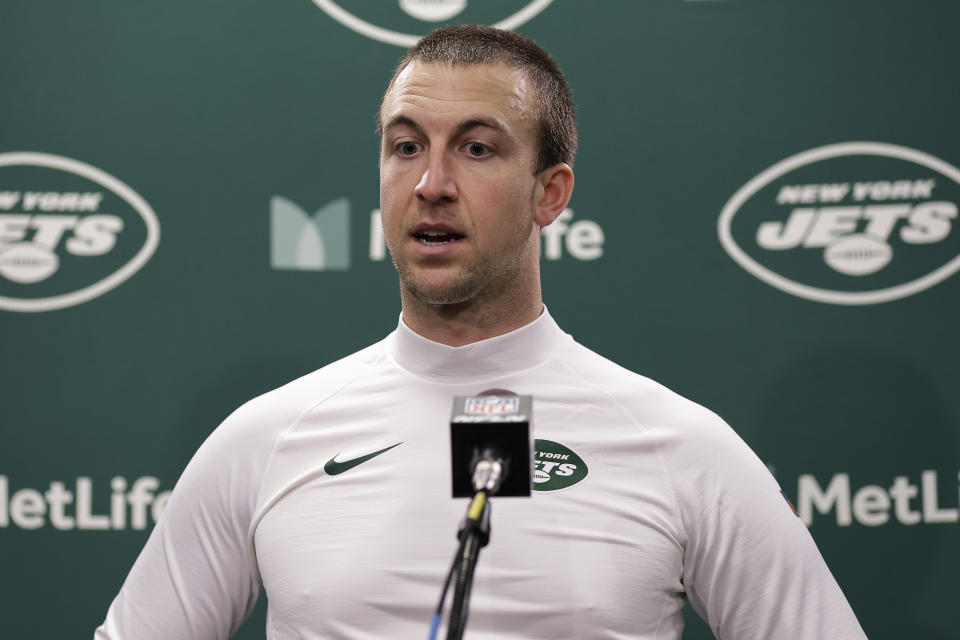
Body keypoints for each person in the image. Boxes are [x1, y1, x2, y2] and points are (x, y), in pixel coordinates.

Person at [96, 25, 866, 639]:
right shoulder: (265, 440)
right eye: (406, 147)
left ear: (550, 193)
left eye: (476, 147)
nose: (431, 184)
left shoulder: (679, 447)